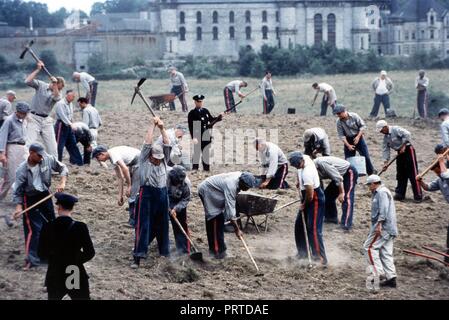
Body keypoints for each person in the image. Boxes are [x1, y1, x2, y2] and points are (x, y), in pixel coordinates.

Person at [12, 142, 68, 270]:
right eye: (39, 155)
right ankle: (31, 260)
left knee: (50, 224)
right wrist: (19, 207)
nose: (42, 158)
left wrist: (62, 183)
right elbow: (18, 191)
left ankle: (47, 256)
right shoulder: (22, 170)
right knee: (34, 229)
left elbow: (63, 168)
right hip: (30, 198)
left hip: (45, 195)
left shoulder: (47, 159)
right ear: (31, 153)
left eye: (42, 155)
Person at [38, 193, 95, 300]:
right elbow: (90, 252)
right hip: (73, 271)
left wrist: (54, 258)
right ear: (72, 208)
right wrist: (74, 259)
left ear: (58, 207)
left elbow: (41, 253)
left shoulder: (47, 226)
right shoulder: (80, 227)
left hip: (55, 272)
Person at [132, 117, 171, 268]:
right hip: (146, 194)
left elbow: (167, 144)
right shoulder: (143, 159)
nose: (158, 161)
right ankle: (138, 256)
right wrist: (152, 125)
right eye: (155, 159)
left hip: (162, 194)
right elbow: (147, 143)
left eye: (160, 159)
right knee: (143, 225)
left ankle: (164, 254)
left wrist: (162, 127)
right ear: (149, 156)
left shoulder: (164, 159)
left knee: (163, 225)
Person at [198, 171, 258, 259]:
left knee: (219, 220)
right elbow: (231, 211)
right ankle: (216, 251)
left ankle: (221, 248)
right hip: (208, 191)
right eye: (246, 187)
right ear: (241, 182)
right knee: (214, 219)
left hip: (216, 191)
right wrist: (237, 230)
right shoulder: (231, 185)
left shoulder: (241, 177)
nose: (246, 190)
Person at [289, 151, 327, 265]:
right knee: (299, 226)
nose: (297, 168)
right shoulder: (304, 157)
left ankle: (320, 259)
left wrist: (303, 205)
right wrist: (298, 180)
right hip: (306, 194)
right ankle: (302, 253)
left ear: (301, 162)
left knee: (313, 230)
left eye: (298, 166)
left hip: (314, 198)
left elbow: (310, 195)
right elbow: (298, 170)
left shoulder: (307, 173)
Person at [376, 120, 424, 202]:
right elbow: (385, 150)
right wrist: (385, 163)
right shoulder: (386, 138)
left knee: (413, 173)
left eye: (381, 130)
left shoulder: (395, 129)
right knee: (401, 173)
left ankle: (418, 195)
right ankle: (400, 194)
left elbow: (407, 134)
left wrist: (403, 146)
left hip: (408, 150)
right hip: (399, 153)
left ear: (385, 127)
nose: (381, 132)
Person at [92, 145, 141, 227]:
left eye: (97, 158)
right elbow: (120, 177)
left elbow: (125, 169)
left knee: (133, 193)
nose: (98, 160)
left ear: (102, 154)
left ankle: (134, 220)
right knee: (132, 193)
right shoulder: (112, 158)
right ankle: (133, 218)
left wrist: (129, 186)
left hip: (139, 161)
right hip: (133, 163)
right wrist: (120, 196)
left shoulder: (113, 154)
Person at [363, 174, 398, 288]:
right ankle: (391, 278)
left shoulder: (382, 192)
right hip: (389, 227)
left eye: (369, 184)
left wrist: (379, 224)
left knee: (369, 247)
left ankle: (378, 273)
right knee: (385, 252)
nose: (368, 187)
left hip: (384, 227)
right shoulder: (381, 192)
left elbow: (383, 209)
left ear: (374, 183)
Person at [25, 60, 65, 158]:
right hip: (33, 118)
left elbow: (57, 97)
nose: (58, 89)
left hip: (46, 120)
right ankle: (26, 164)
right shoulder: (41, 85)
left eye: (59, 88)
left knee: (53, 147)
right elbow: (27, 81)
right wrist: (38, 69)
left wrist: (55, 85)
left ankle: (54, 167)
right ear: (51, 83)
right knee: (29, 143)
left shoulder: (58, 93)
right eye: (58, 87)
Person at [417, 151, 449, 263]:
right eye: (436, 173)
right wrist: (420, 181)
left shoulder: (447, 173)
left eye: (438, 171)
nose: (438, 174)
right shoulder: (440, 179)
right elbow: (428, 187)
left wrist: (441, 161)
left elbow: (445, 174)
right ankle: (447, 258)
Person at [314, 156, 358, 231]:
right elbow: (318, 183)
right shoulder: (310, 169)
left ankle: (346, 225)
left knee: (347, 198)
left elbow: (338, 178)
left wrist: (341, 192)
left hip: (348, 172)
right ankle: (331, 218)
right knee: (327, 195)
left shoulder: (322, 164)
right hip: (338, 176)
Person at [0, 102, 30, 201]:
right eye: (23, 113)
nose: (25, 115)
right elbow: (2, 137)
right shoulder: (9, 121)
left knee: (25, 173)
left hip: (23, 147)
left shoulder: (24, 120)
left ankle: (20, 198)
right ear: (17, 112)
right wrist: (2, 154)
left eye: (26, 113)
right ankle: (1, 196)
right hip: (12, 147)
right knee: (11, 176)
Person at [334, 104, 375, 175]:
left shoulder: (354, 116)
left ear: (344, 111)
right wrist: (348, 145)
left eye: (339, 113)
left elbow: (362, 126)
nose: (338, 115)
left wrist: (358, 137)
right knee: (348, 160)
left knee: (366, 157)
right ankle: (351, 176)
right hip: (348, 140)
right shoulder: (338, 122)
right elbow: (341, 135)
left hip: (358, 137)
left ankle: (371, 174)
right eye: (337, 114)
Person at [187, 95, 223, 172]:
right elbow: (190, 126)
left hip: (206, 133)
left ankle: (206, 168)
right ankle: (195, 168)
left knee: (205, 152)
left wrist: (219, 117)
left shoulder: (205, 111)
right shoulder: (192, 113)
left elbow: (211, 120)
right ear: (195, 102)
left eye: (201, 101)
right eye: (198, 102)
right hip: (197, 134)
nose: (200, 103)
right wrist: (193, 137)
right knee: (197, 151)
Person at [54, 90, 83, 166]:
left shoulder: (71, 104)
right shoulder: (60, 104)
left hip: (69, 126)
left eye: (74, 96)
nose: (73, 98)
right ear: (67, 95)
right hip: (61, 125)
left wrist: (72, 123)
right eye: (72, 96)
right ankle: (57, 163)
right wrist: (71, 124)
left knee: (73, 144)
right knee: (59, 146)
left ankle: (78, 162)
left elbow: (70, 115)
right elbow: (63, 117)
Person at [167, 165, 192, 254]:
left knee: (181, 224)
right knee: (160, 224)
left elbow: (186, 199)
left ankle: (183, 248)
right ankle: (164, 247)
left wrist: (176, 209)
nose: (178, 184)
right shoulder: (166, 177)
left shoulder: (186, 185)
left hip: (179, 202)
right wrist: (167, 205)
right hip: (165, 200)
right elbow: (162, 192)